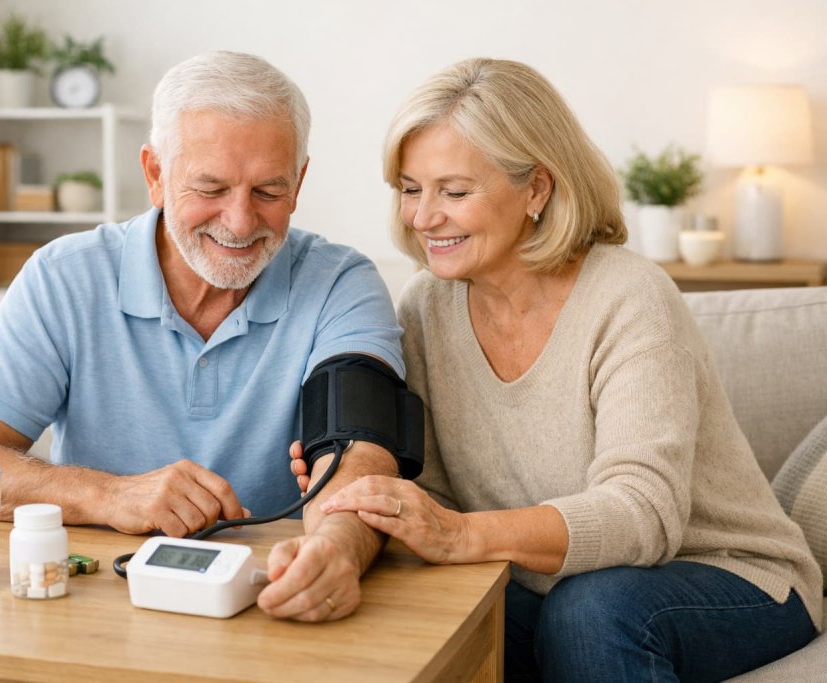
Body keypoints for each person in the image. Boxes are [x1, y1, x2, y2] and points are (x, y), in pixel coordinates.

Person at [303, 58, 822, 678]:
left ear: (537, 190)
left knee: (590, 611)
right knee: (421, 616)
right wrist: (360, 482)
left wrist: (462, 536)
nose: (423, 217)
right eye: (411, 189)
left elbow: (643, 513)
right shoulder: (425, 307)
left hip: (732, 575)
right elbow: (435, 493)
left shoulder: (630, 296)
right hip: (552, 585)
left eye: (455, 191)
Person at [0, 51, 413, 622]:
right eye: (211, 187)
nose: (241, 222)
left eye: (269, 192)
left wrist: (335, 550)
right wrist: (111, 494)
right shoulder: (64, 277)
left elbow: (361, 457)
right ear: (155, 175)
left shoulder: (340, 282)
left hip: (267, 598)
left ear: (298, 182)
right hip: (95, 604)